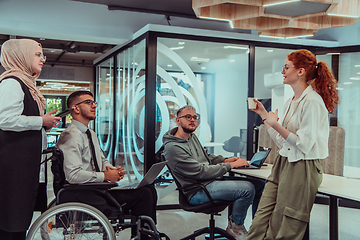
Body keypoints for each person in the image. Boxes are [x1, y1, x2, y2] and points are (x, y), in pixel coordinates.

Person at [246, 49, 339, 240]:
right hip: (284, 161)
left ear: (301, 71)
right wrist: (264, 116)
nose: (282, 71)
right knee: (260, 218)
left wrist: (275, 124)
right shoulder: (290, 101)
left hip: (303, 166)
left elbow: (303, 144)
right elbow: (283, 141)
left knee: (285, 225)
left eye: (286, 67)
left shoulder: (312, 102)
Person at [56, 90, 158, 239]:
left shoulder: (90, 133)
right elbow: (73, 175)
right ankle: (145, 236)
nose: (94, 106)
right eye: (88, 102)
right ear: (75, 108)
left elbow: (100, 160)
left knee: (148, 189)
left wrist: (111, 169)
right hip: (84, 193)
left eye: (94, 102)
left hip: (96, 188)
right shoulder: (71, 135)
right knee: (144, 194)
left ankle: (145, 234)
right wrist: (105, 176)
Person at [162, 105, 265, 240]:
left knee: (258, 185)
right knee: (247, 189)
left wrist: (226, 159)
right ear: (178, 120)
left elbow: (207, 157)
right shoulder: (173, 147)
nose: (192, 120)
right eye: (188, 117)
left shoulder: (191, 137)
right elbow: (201, 172)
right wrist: (230, 165)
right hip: (197, 190)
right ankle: (236, 227)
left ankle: (257, 229)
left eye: (195, 117)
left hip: (210, 182)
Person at [0, 39, 60, 240]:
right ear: (21, 56)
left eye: (42, 55)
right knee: (11, 223)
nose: (42, 59)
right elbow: (5, 120)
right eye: (37, 54)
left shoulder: (26, 83)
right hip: (13, 169)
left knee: (17, 221)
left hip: (22, 167)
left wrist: (43, 123)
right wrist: (40, 120)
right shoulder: (11, 83)